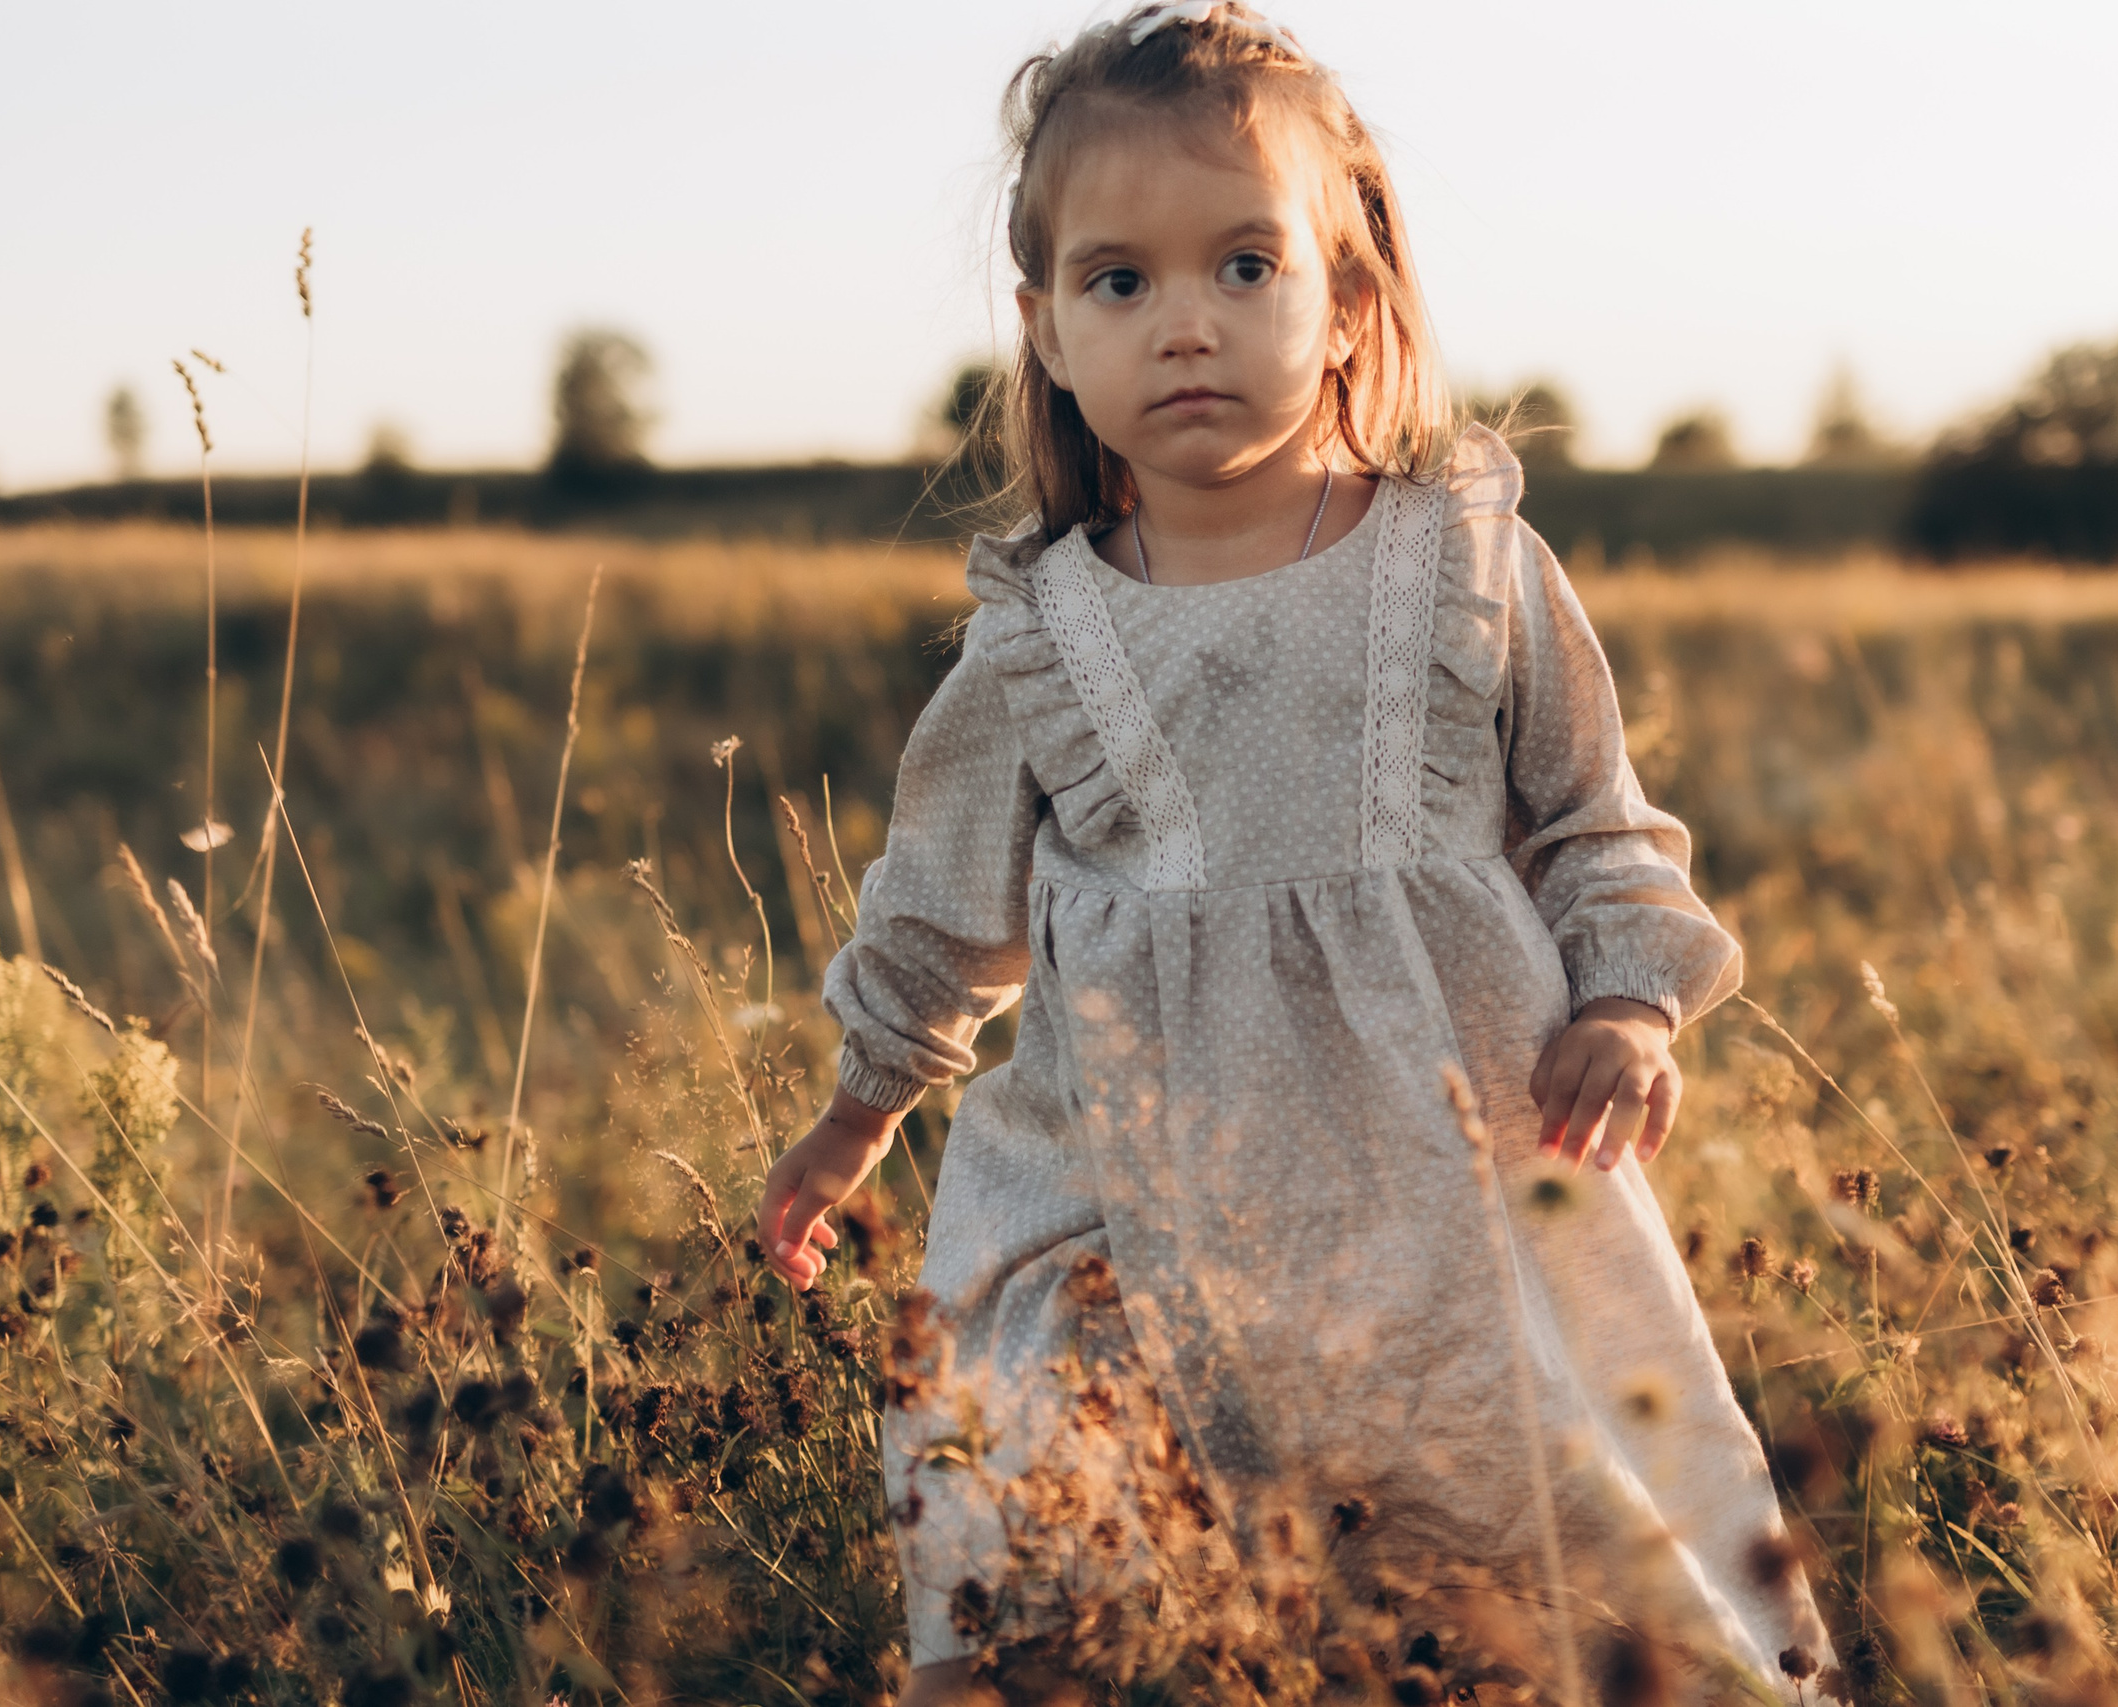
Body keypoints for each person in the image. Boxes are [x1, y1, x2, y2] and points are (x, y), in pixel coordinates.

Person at [758, 4, 1833, 1700]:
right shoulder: (1039, 635)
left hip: (1447, 1190)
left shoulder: (1462, 566)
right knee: (1042, 1515)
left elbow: (1594, 823)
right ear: (1043, 331)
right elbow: (940, 911)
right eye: (1121, 282)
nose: (1186, 324)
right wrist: (858, 1110)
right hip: (1122, 1192)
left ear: (1349, 293)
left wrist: (1630, 1004)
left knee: (1522, 1557)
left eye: (1245, 266)